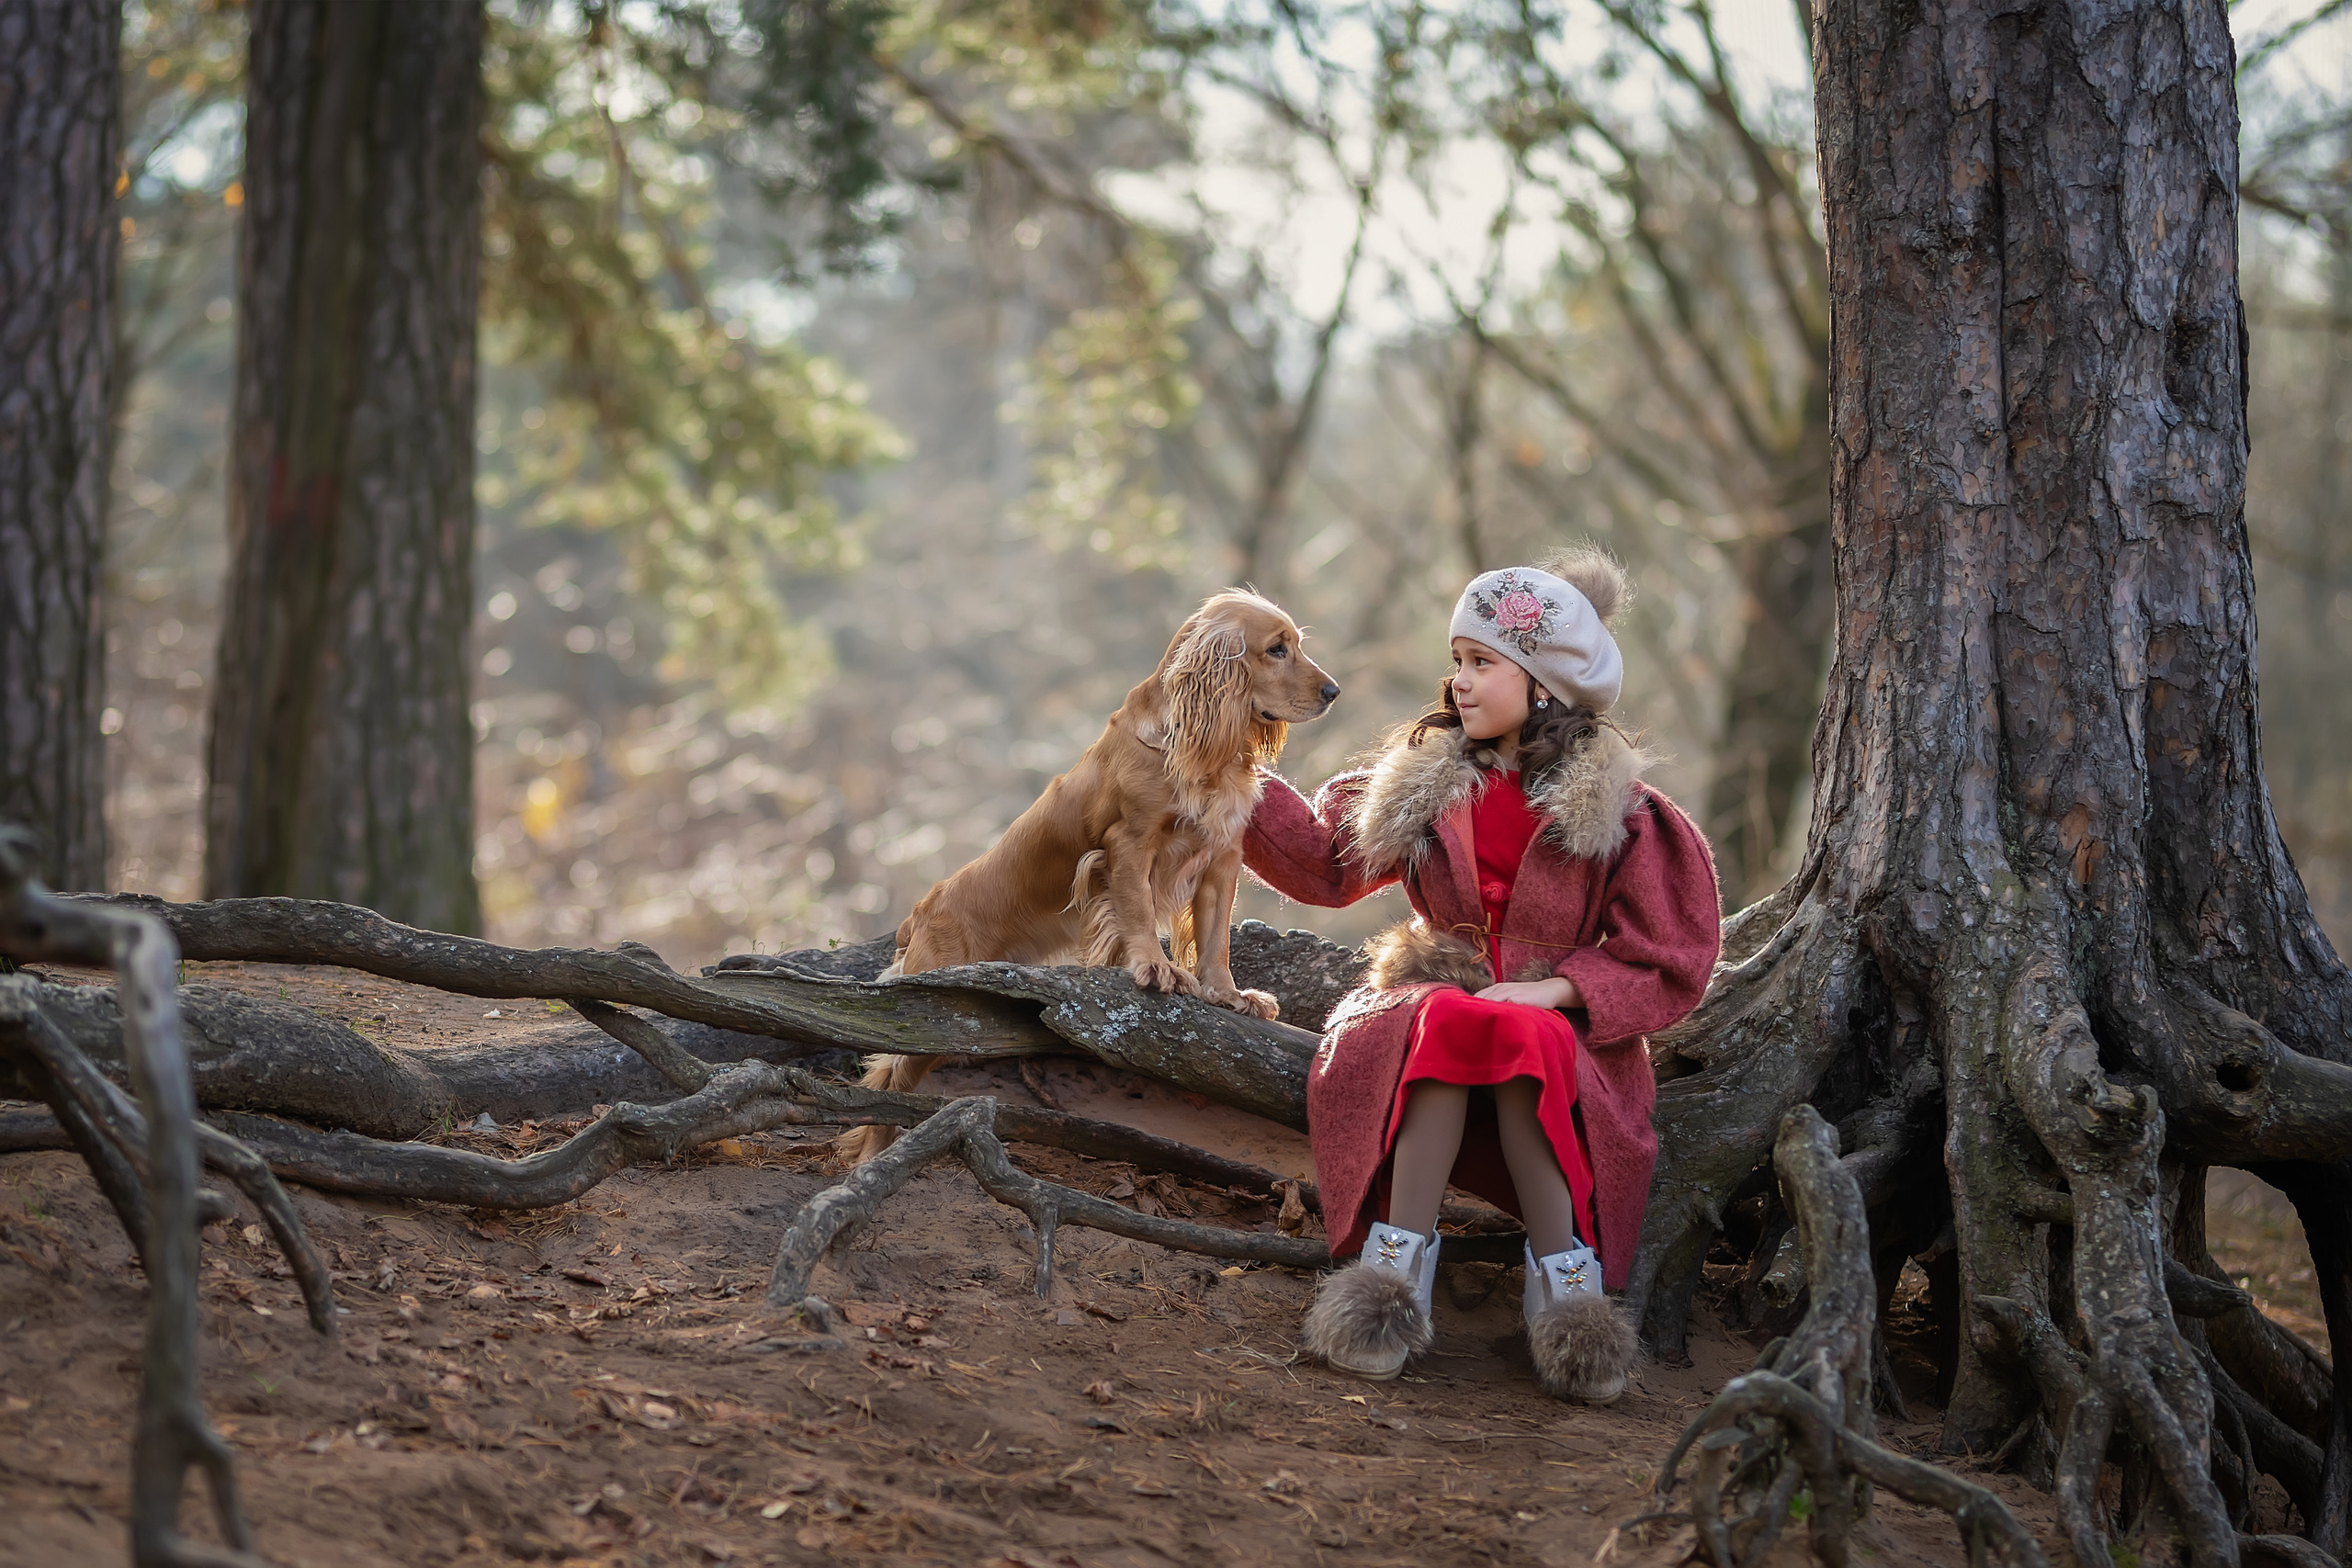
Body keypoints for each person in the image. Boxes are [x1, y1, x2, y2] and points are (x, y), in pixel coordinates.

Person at [1241, 547, 1720, 1402]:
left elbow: (1669, 955)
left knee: (1515, 1024)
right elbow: (1324, 864)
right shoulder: (1425, 786)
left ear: (1545, 683)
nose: (1458, 680)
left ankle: (1568, 1292)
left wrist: (1554, 989)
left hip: (1564, 1032)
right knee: (1458, 1014)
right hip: (1430, 1000)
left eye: (1482, 662)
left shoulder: (1624, 813)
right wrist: (1228, 771)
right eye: (1456, 659)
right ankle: (1391, 1276)